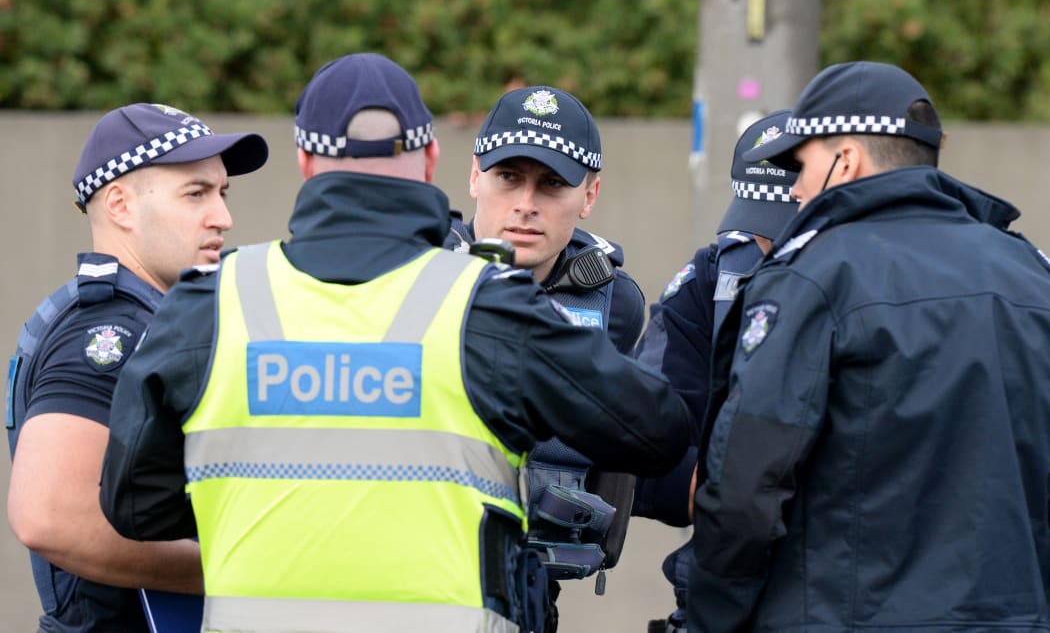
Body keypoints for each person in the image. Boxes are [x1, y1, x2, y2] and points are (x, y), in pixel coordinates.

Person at [98, 53, 691, 633]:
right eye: (510, 177)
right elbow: (656, 432)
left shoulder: (211, 303)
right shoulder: (486, 306)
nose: (526, 203)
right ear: (435, 159)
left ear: (304, 160)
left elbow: (134, 506)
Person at [690, 60, 1050, 631]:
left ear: (847, 159)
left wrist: (706, 614)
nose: (796, 189)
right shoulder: (1034, 275)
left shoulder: (813, 278)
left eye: (801, 166)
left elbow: (746, 493)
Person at [6, 102, 268, 632]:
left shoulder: (156, 318)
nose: (222, 216)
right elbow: (47, 517)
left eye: (222, 193)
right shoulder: (108, 333)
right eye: (196, 194)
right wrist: (242, 571)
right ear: (121, 205)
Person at [446, 85, 646, 630]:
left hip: (530, 595)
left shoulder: (615, 304)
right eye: (508, 177)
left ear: (591, 195)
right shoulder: (418, 273)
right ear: (474, 177)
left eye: (553, 183)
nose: (526, 203)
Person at [630, 110, 796, 633]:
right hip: (726, 593)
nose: (767, 249)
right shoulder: (712, 276)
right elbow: (644, 425)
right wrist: (721, 482)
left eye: (787, 230)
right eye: (757, 226)